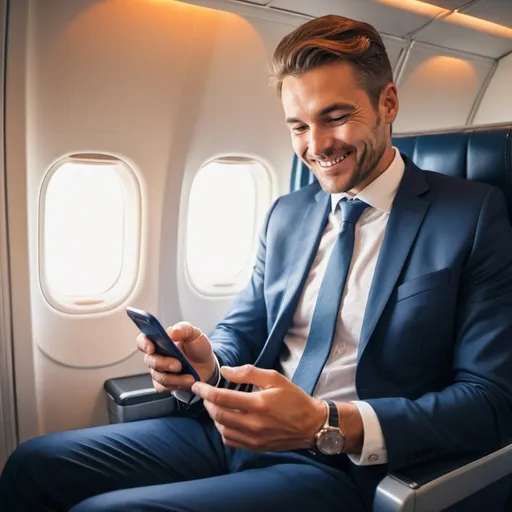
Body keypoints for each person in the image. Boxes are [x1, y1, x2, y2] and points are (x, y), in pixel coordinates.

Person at [1, 14, 512, 512]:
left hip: (339, 464)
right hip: (234, 432)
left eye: (335, 117)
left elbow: (490, 400)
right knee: (33, 462)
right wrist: (207, 362)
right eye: (298, 126)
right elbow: (244, 328)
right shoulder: (286, 214)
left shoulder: (471, 215)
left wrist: (326, 421)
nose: (316, 147)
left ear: (389, 102)